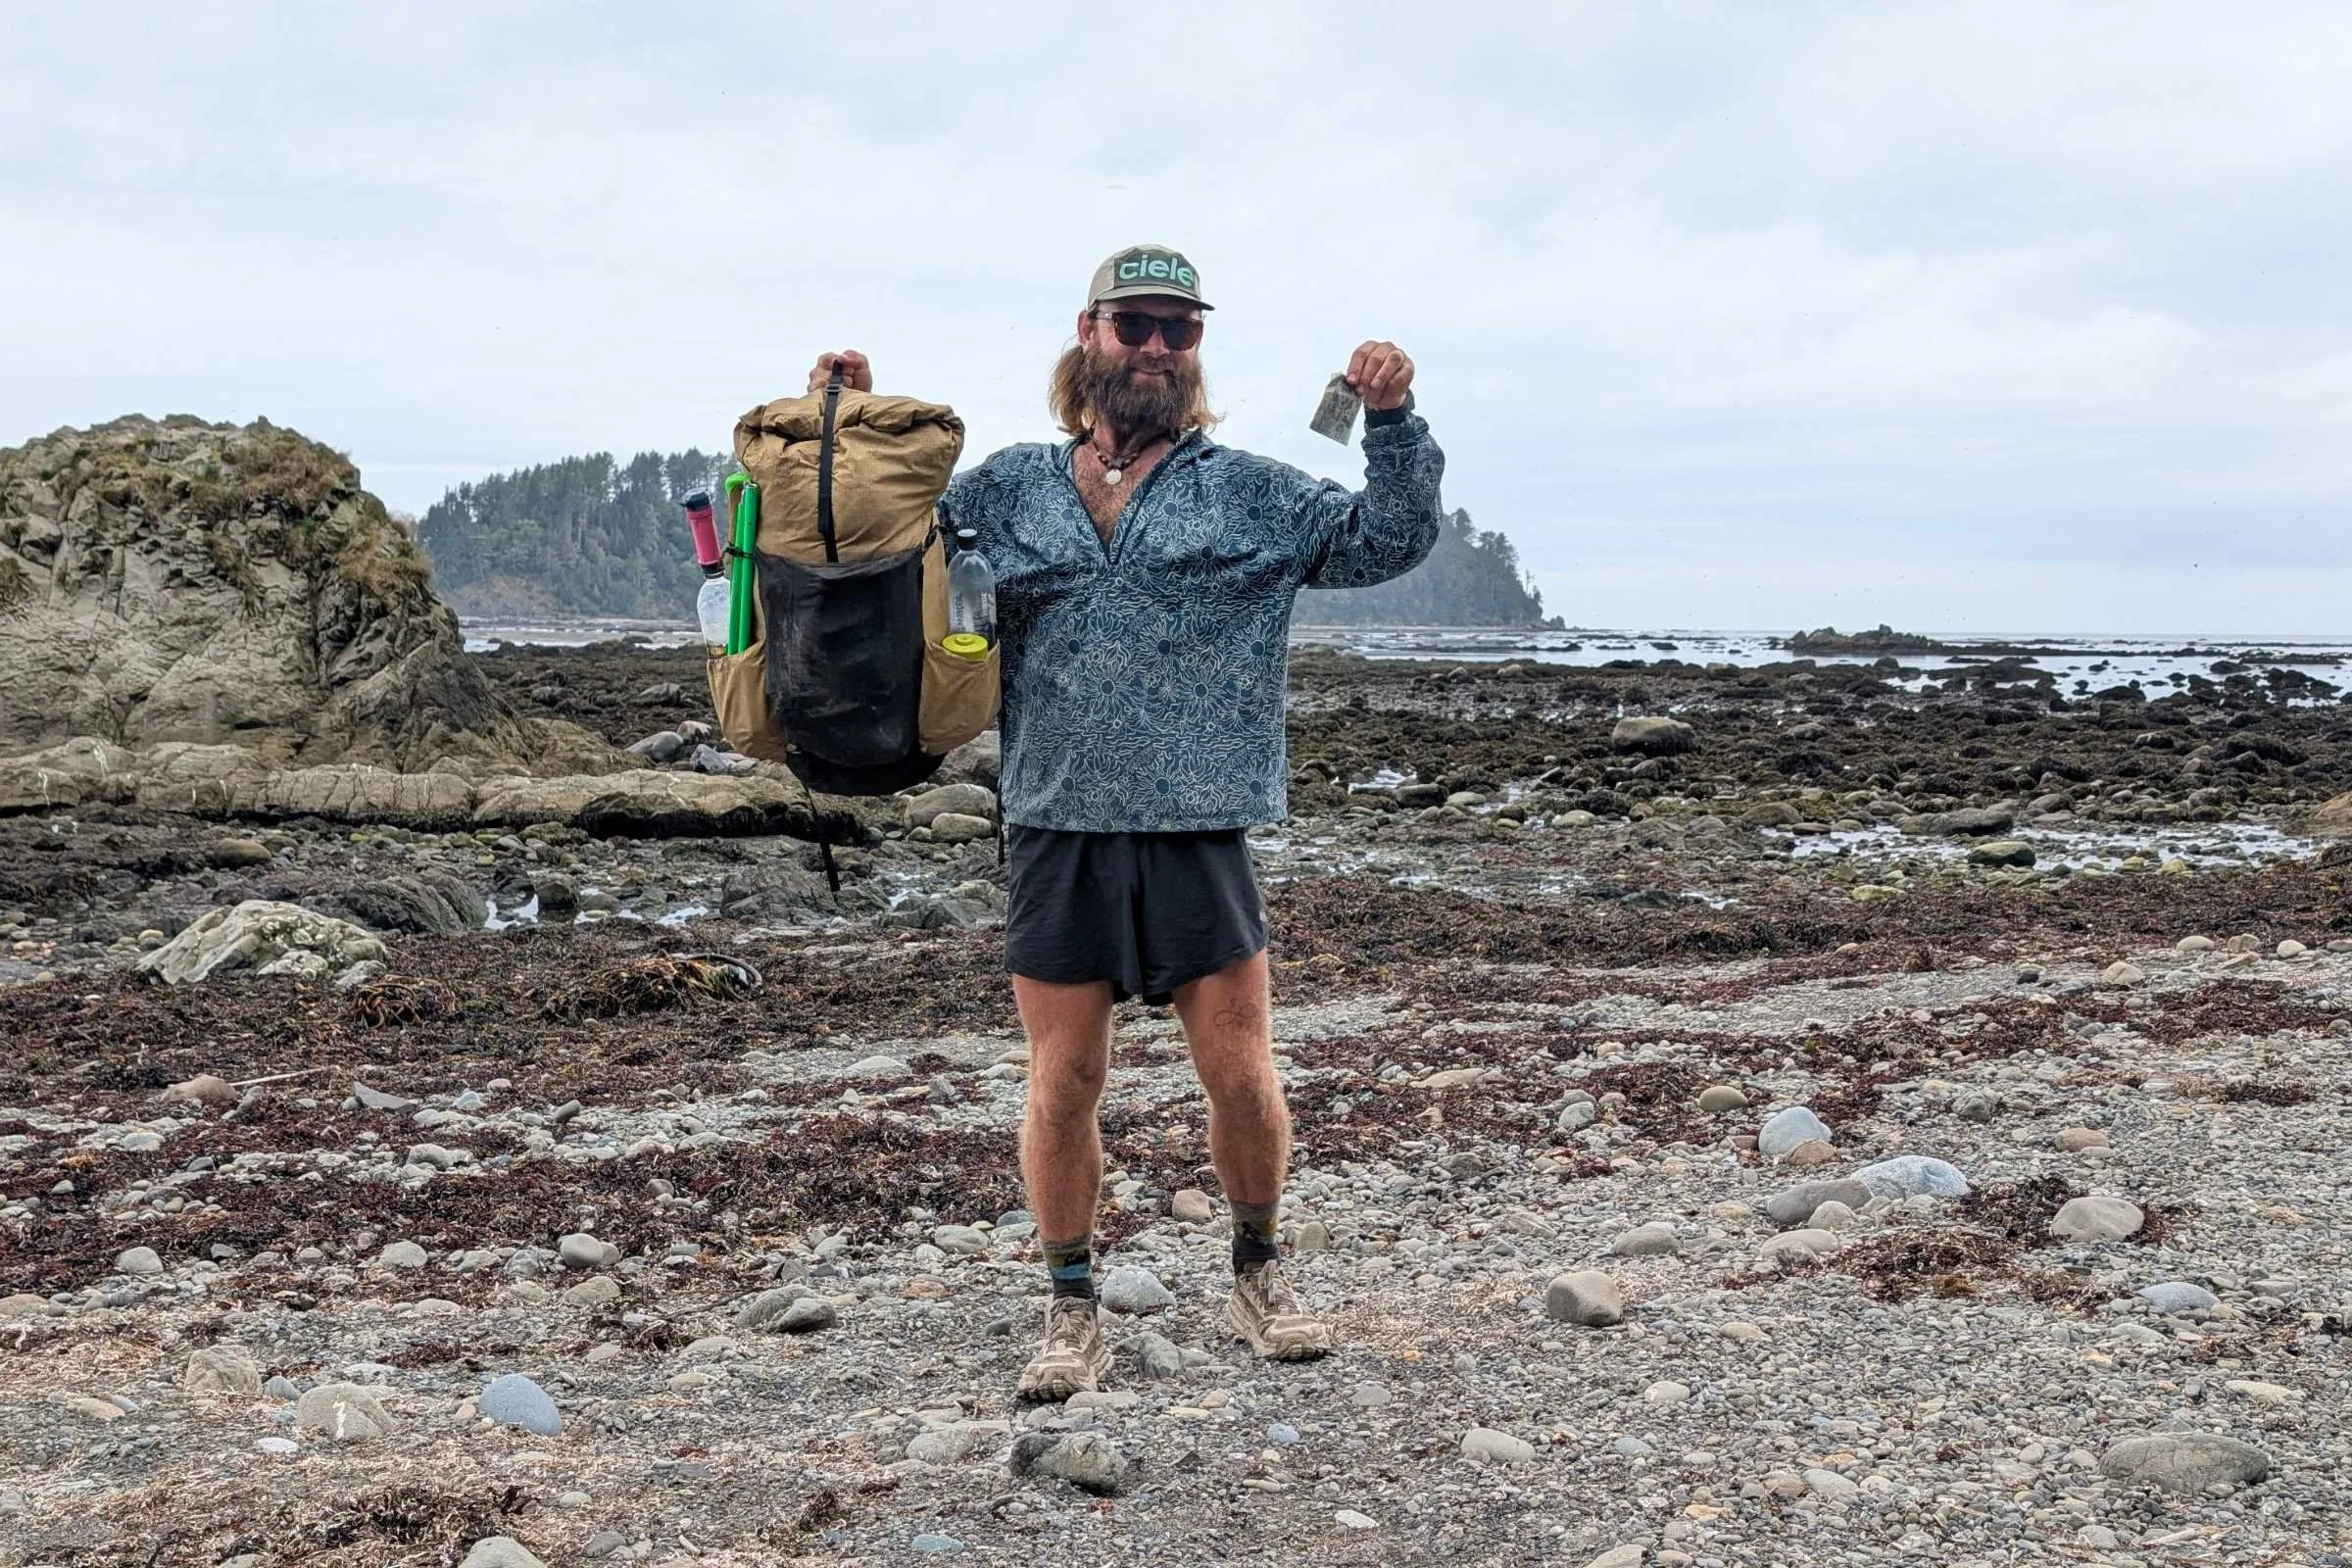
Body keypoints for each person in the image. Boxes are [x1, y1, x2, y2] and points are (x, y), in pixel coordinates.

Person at [806, 243, 1444, 1398]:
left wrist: (1393, 421)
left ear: (1197, 348)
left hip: (1200, 825)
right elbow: (874, 537)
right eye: (1134, 324)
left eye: (1178, 329)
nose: (1155, 347)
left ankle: (1259, 1270)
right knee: (1064, 1081)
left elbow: (1386, 539)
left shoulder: (1249, 494)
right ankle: (1069, 1307)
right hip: (1057, 824)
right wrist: (843, 421)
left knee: (1241, 1076)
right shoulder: (1005, 489)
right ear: (1088, 332)